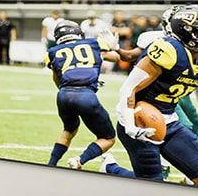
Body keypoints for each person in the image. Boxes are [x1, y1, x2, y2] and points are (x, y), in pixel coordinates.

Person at [115, 5, 198, 188]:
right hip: (139, 119)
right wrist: (129, 124)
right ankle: (113, 169)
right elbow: (128, 89)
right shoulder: (169, 51)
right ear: (186, 33)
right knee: (153, 187)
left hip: (170, 121)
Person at [45, 20, 135, 176]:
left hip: (63, 94)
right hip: (86, 96)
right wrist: (115, 46)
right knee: (108, 138)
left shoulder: (52, 51)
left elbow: (56, 78)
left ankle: (51, 164)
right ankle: (79, 160)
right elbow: (114, 57)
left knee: (69, 129)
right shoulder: (94, 43)